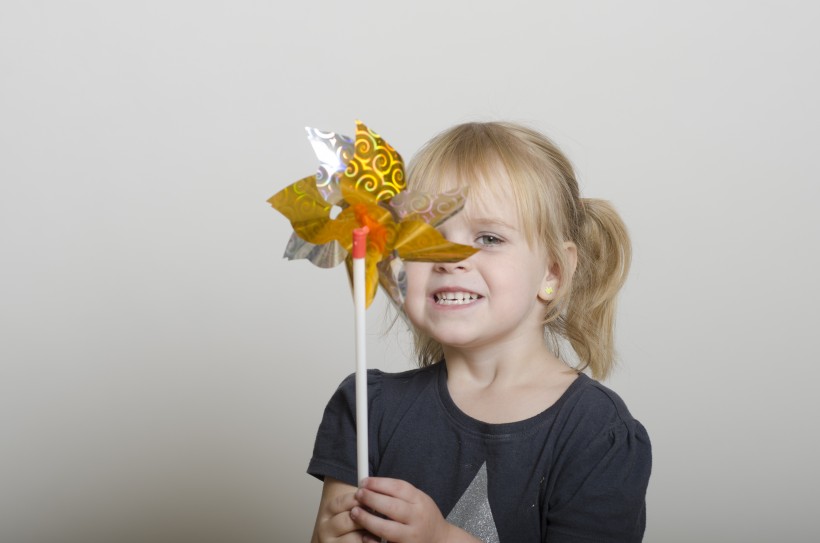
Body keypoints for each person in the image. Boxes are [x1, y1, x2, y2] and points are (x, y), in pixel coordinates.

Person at [307, 122, 652, 543]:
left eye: (488, 237)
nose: (449, 259)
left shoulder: (597, 433)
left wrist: (444, 539)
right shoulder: (365, 408)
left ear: (553, 272)